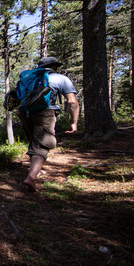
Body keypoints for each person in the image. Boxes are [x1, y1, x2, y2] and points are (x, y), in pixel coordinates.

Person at [20, 56, 79, 192]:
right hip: (45, 113)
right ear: (54, 66)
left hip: (24, 113)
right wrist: (74, 122)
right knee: (42, 145)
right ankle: (31, 177)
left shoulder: (29, 78)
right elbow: (72, 102)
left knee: (33, 141)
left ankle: (35, 170)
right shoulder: (60, 78)